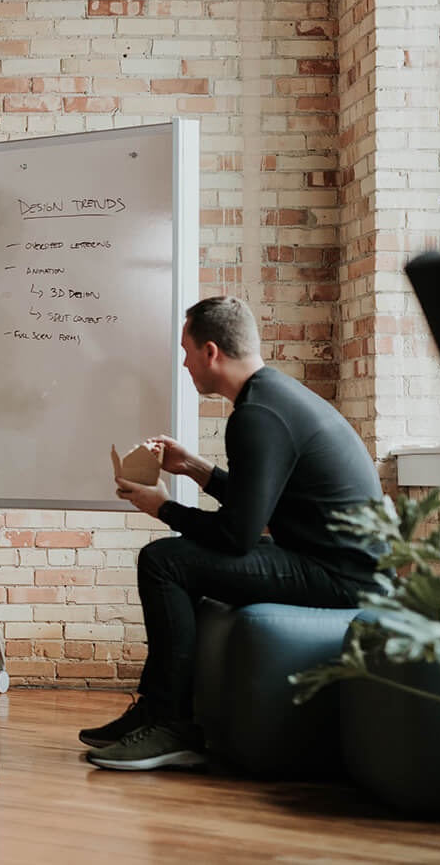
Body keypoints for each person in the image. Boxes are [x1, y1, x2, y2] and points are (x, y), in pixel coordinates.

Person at [90, 295, 383, 770]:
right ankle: (155, 710)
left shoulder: (255, 416)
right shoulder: (272, 398)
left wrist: (164, 507)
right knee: (174, 559)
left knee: (163, 561)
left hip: (341, 576)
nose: (183, 362)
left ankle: (171, 726)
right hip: (335, 561)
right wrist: (195, 469)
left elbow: (237, 536)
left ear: (211, 352)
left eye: (186, 351)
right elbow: (258, 506)